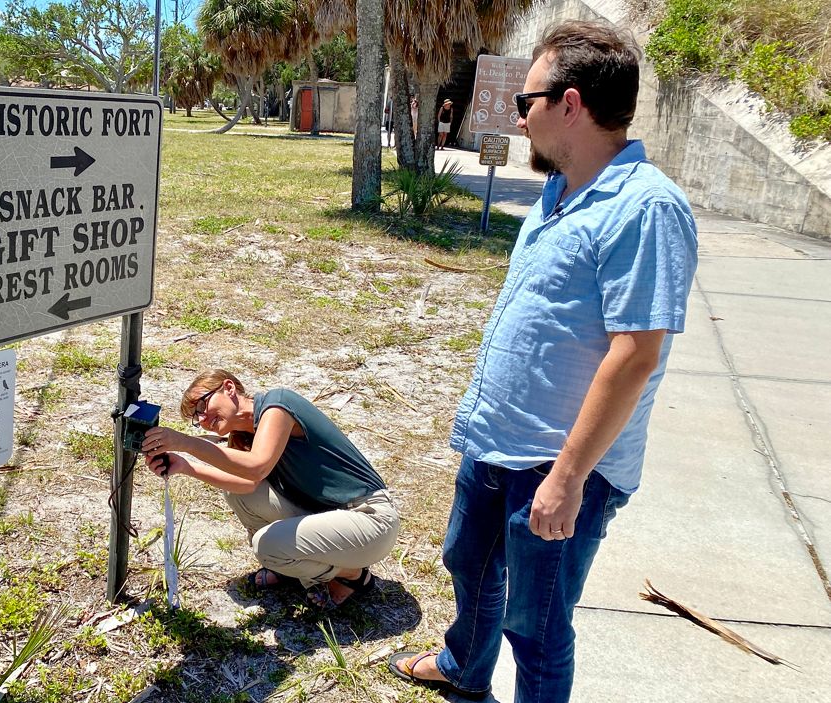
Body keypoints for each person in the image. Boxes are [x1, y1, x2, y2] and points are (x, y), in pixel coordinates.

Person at [388, 20, 698, 703]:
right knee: (468, 565)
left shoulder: (646, 208)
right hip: (497, 440)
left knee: (537, 626)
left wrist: (568, 476)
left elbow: (635, 355)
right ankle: (464, 667)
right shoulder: (557, 191)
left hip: (558, 466)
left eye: (525, 101)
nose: (518, 117)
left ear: (571, 104)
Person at [140, 370, 400, 608]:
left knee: (266, 546)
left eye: (202, 406)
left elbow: (257, 467)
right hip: (327, 514)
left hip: (370, 519)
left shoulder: (278, 405)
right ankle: (291, 567)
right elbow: (247, 483)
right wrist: (186, 467)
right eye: (196, 418)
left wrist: (186, 443)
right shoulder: (244, 436)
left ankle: (352, 575)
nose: (203, 419)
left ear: (228, 388)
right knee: (239, 493)